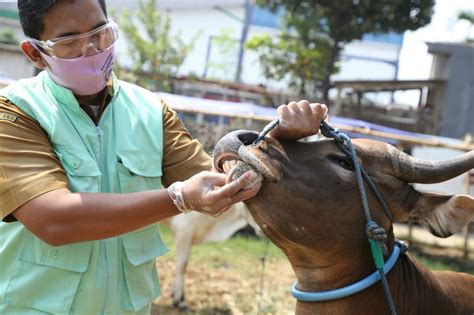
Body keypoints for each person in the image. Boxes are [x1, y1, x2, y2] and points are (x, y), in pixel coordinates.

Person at [0, 0, 328, 314]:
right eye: (70, 41)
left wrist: (280, 143)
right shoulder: (15, 112)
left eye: (101, 32)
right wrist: (179, 198)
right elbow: (54, 220)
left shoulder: (150, 112)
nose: (93, 49)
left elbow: (225, 185)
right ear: (36, 53)